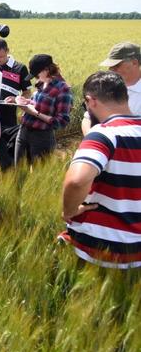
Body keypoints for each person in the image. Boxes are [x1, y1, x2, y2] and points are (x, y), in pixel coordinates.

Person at [59, 71, 141, 268]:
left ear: (90, 101)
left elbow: (77, 181)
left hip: (102, 249)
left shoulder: (104, 135)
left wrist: (69, 210)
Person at [12, 54, 73, 163]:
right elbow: (41, 104)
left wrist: (34, 113)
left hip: (42, 136)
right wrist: (26, 101)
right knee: (18, 173)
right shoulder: (41, 83)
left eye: (36, 74)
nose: (35, 78)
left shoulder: (63, 89)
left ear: (47, 70)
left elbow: (62, 121)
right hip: (23, 132)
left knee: (37, 174)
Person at [82, 42, 141, 134]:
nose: (111, 70)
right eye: (110, 66)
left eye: (116, 65)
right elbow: (88, 118)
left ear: (134, 63)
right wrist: (92, 138)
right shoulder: (106, 86)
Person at [0, 38, 31, 170]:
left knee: (6, 155)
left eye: (1, 57)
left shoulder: (19, 68)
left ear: (7, 51)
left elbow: (27, 93)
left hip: (8, 119)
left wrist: (16, 99)